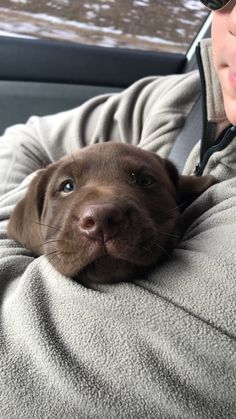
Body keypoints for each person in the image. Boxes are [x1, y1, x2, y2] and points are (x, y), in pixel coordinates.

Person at [0, 1, 235, 417]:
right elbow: (23, 141)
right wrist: (38, 195)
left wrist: (43, 206)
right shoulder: (175, 97)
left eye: (144, 181)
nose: (99, 212)